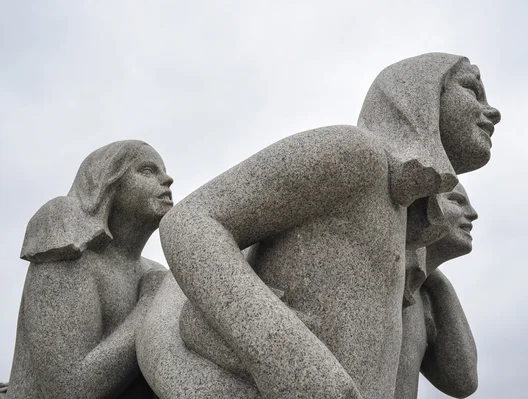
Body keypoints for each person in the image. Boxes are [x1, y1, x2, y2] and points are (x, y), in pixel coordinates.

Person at [137, 53, 501, 399]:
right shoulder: (359, 154)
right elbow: (191, 221)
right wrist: (292, 360)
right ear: (418, 93)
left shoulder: (400, 219)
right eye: (471, 89)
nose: (493, 111)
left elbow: (460, 380)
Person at [7, 140, 173, 399]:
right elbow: (69, 389)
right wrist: (149, 303)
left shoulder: (153, 271)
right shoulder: (70, 247)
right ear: (106, 185)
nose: (168, 180)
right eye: (148, 171)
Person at [397, 183, 479, 399]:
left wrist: (438, 282)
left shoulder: (423, 292)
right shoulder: (379, 268)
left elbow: (463, 381)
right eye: (456, 200)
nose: (473, 214)